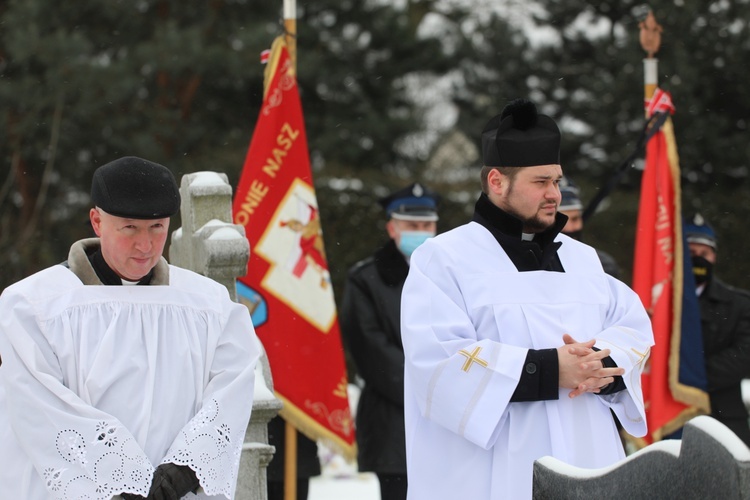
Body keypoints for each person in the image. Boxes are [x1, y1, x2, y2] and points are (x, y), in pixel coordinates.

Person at [400, 98, 655, 500]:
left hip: (587, 456)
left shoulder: (582, 259)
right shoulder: (443, 259)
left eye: (556, 180)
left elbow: (633, 328)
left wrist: (599, 364)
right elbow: (437, 364)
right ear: (497, 182)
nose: (555, 194)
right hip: (487, 471)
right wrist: (551, 369)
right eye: (541, 182)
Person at [0, 156, 261, 499]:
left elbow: (233, 383)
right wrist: (119, 479)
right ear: (97, 220)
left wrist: (185, 468)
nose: (146, 245)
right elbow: (39, 404)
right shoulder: (34, 305)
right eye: (130, 228)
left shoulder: (207, 305)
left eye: (157, 228)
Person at [340, 182, 439, 500]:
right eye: (412, 225)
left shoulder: (453, 274)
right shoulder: (366, 278)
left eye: (426, 225)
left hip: (447, 421)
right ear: (392, 228)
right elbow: (370, 349)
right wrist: (432, 387)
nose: (420, 231)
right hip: (393, 423)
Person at [685, 213, 750, 447]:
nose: (699, 260)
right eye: (691, 254)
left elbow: (743, 355)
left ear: (714, 257)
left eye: (705, 254)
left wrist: (689, 378)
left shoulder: (738, 304)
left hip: (724, 417)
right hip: (671, 418)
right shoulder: (658, 305)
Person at [557, 175, 621, 278]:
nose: (569, 228)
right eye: (559, 220)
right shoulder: (525, 267)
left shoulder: (602, 266)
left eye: (574, 219)